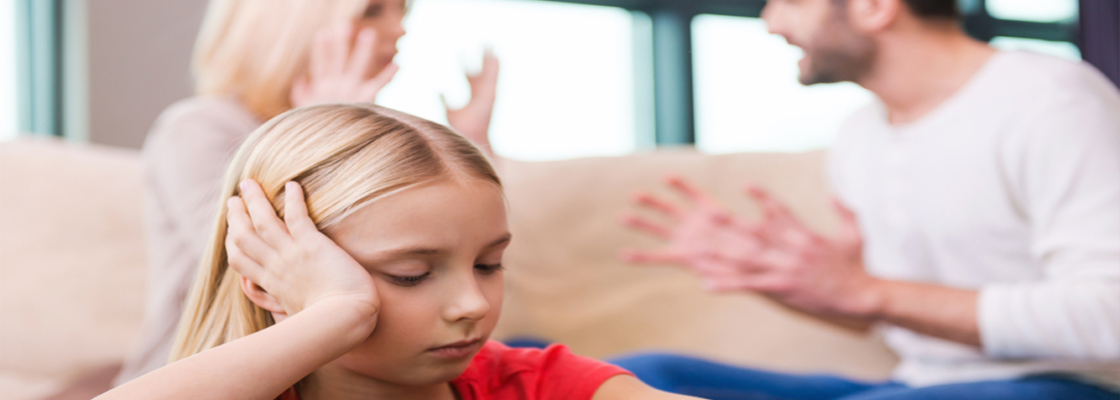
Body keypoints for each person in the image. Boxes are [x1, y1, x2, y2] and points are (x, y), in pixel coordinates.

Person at [613, 0, 1120, 398]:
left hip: (1066, 385)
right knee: (640, 377)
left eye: (791, 1)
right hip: (917, 384)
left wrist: (867, 291)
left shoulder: (1054, 100)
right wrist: (786, 277)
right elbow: (881, 310)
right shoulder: (859, 133)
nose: (771, 22)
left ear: (874, 6)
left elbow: (1110, 317)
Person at [96, 104, 697, 400]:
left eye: (488, 264)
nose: (472, 303)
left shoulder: (535, 385)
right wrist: (338, 313)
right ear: (266, 279)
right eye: (411, 274)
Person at [116, 0, 500, 384]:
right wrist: (328, 131)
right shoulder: (198, 126)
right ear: (293, 24)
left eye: (402, 12)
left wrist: (475, 148)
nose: (399, 28)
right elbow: (257, 259)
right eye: (372, 11)